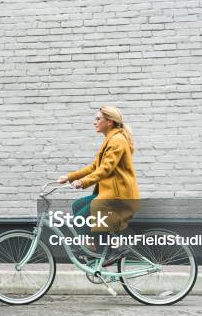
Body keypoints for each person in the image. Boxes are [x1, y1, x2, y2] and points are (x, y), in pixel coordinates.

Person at [58, 106, 140, 265]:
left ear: (109, 122)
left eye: (98, 119)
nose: (94, 122)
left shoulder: (117, 140)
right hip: (109, 193)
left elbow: (105, 169)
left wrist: (83, 182)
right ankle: (99, 250)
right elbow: (95, 166)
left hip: (119, 196)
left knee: (81, 219)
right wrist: (69, 177)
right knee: (77, 206)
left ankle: (105, 249)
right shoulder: (110, 138)